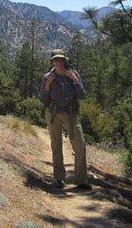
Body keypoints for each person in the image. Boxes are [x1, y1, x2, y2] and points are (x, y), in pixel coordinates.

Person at [40, 49, 92, 190]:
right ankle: (58, 179)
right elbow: (43, 99)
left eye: (61, 59)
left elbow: (81, 95)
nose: (58, 62)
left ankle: (81, 180)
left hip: (71, 113)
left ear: (65, 60)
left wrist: (75, 81)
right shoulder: (47, 77)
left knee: (80, 145)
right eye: (55, 60)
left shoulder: (73, 75)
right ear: (52, 62)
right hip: (53, 113)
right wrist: (48, 83)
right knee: (56, 146)